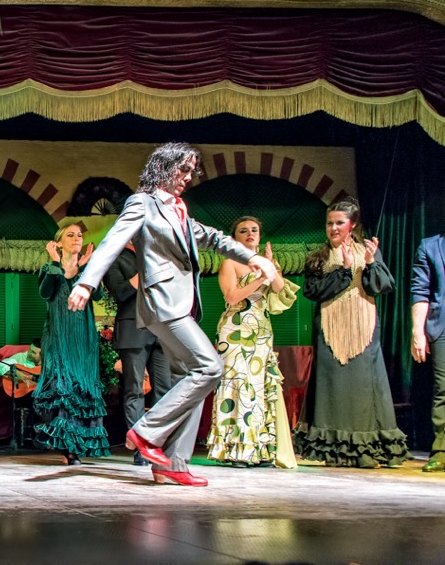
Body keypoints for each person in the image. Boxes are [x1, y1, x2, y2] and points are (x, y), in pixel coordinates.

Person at [67, 142, 277, 487]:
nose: (189, 177)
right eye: (184, 169)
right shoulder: (142, 203)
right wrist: (87, 283)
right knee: (210, 367)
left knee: (191, 381)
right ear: (163, 167)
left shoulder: (178, 210)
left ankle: (174, 464)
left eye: (192, 170)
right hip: (163, 303)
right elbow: (112, 242)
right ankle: (147, 432)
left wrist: (252, 258)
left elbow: (212, 237)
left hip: (182, 305)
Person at [294, 199, 409, 468]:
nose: (333, 228)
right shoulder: (318, 256)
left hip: (364, 330)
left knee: (363, 390)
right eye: (329, 223)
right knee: (333, 390)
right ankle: (336, 451)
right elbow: (313, 292)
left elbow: (381, 286)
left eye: (339, 223)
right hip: (330, 330)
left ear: (353, 224)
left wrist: (370, 264)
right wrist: (344, 270)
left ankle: (366, 449)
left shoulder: (368, 250)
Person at [206, 216, 299, 468]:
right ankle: (236, 450)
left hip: (261, 330)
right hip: (235, 330)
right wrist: (259, 278)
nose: (249, 234)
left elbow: (280, 289)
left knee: (259, 388)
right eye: (243, 230)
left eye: (254, 230)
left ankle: (260, 450)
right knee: (238, 386)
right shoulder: (230, 263)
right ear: (234, 237)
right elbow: (232, 295)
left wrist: (271, 268)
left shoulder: (269, 262)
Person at [34, 224, 111, 466]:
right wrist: (57, 263)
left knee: (83, 387)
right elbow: (46, 293)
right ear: (58, 243)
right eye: (70, 235)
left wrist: (87, 268)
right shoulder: (50, 268)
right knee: (64, 387)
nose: (77, 238)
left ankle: (81, 444)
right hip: (59, 336)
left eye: (79, 235)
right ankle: (68, 448)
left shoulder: (88, 270)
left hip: (83, 338)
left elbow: (98, 297)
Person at [102, 241, 171, 466]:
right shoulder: (115, 257)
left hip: (161, 327)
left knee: (165, 389)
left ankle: (157, 443)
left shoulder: (158, 253)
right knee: (134, 390)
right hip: (133, 328)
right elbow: (120, 293)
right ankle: (141, 447)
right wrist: (145, 272)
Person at [412, 232, 445, 472]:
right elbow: (420, 290)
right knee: (443, 390)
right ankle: (442, 451)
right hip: (442, 326)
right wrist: (418, 332)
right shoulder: (430, 246)